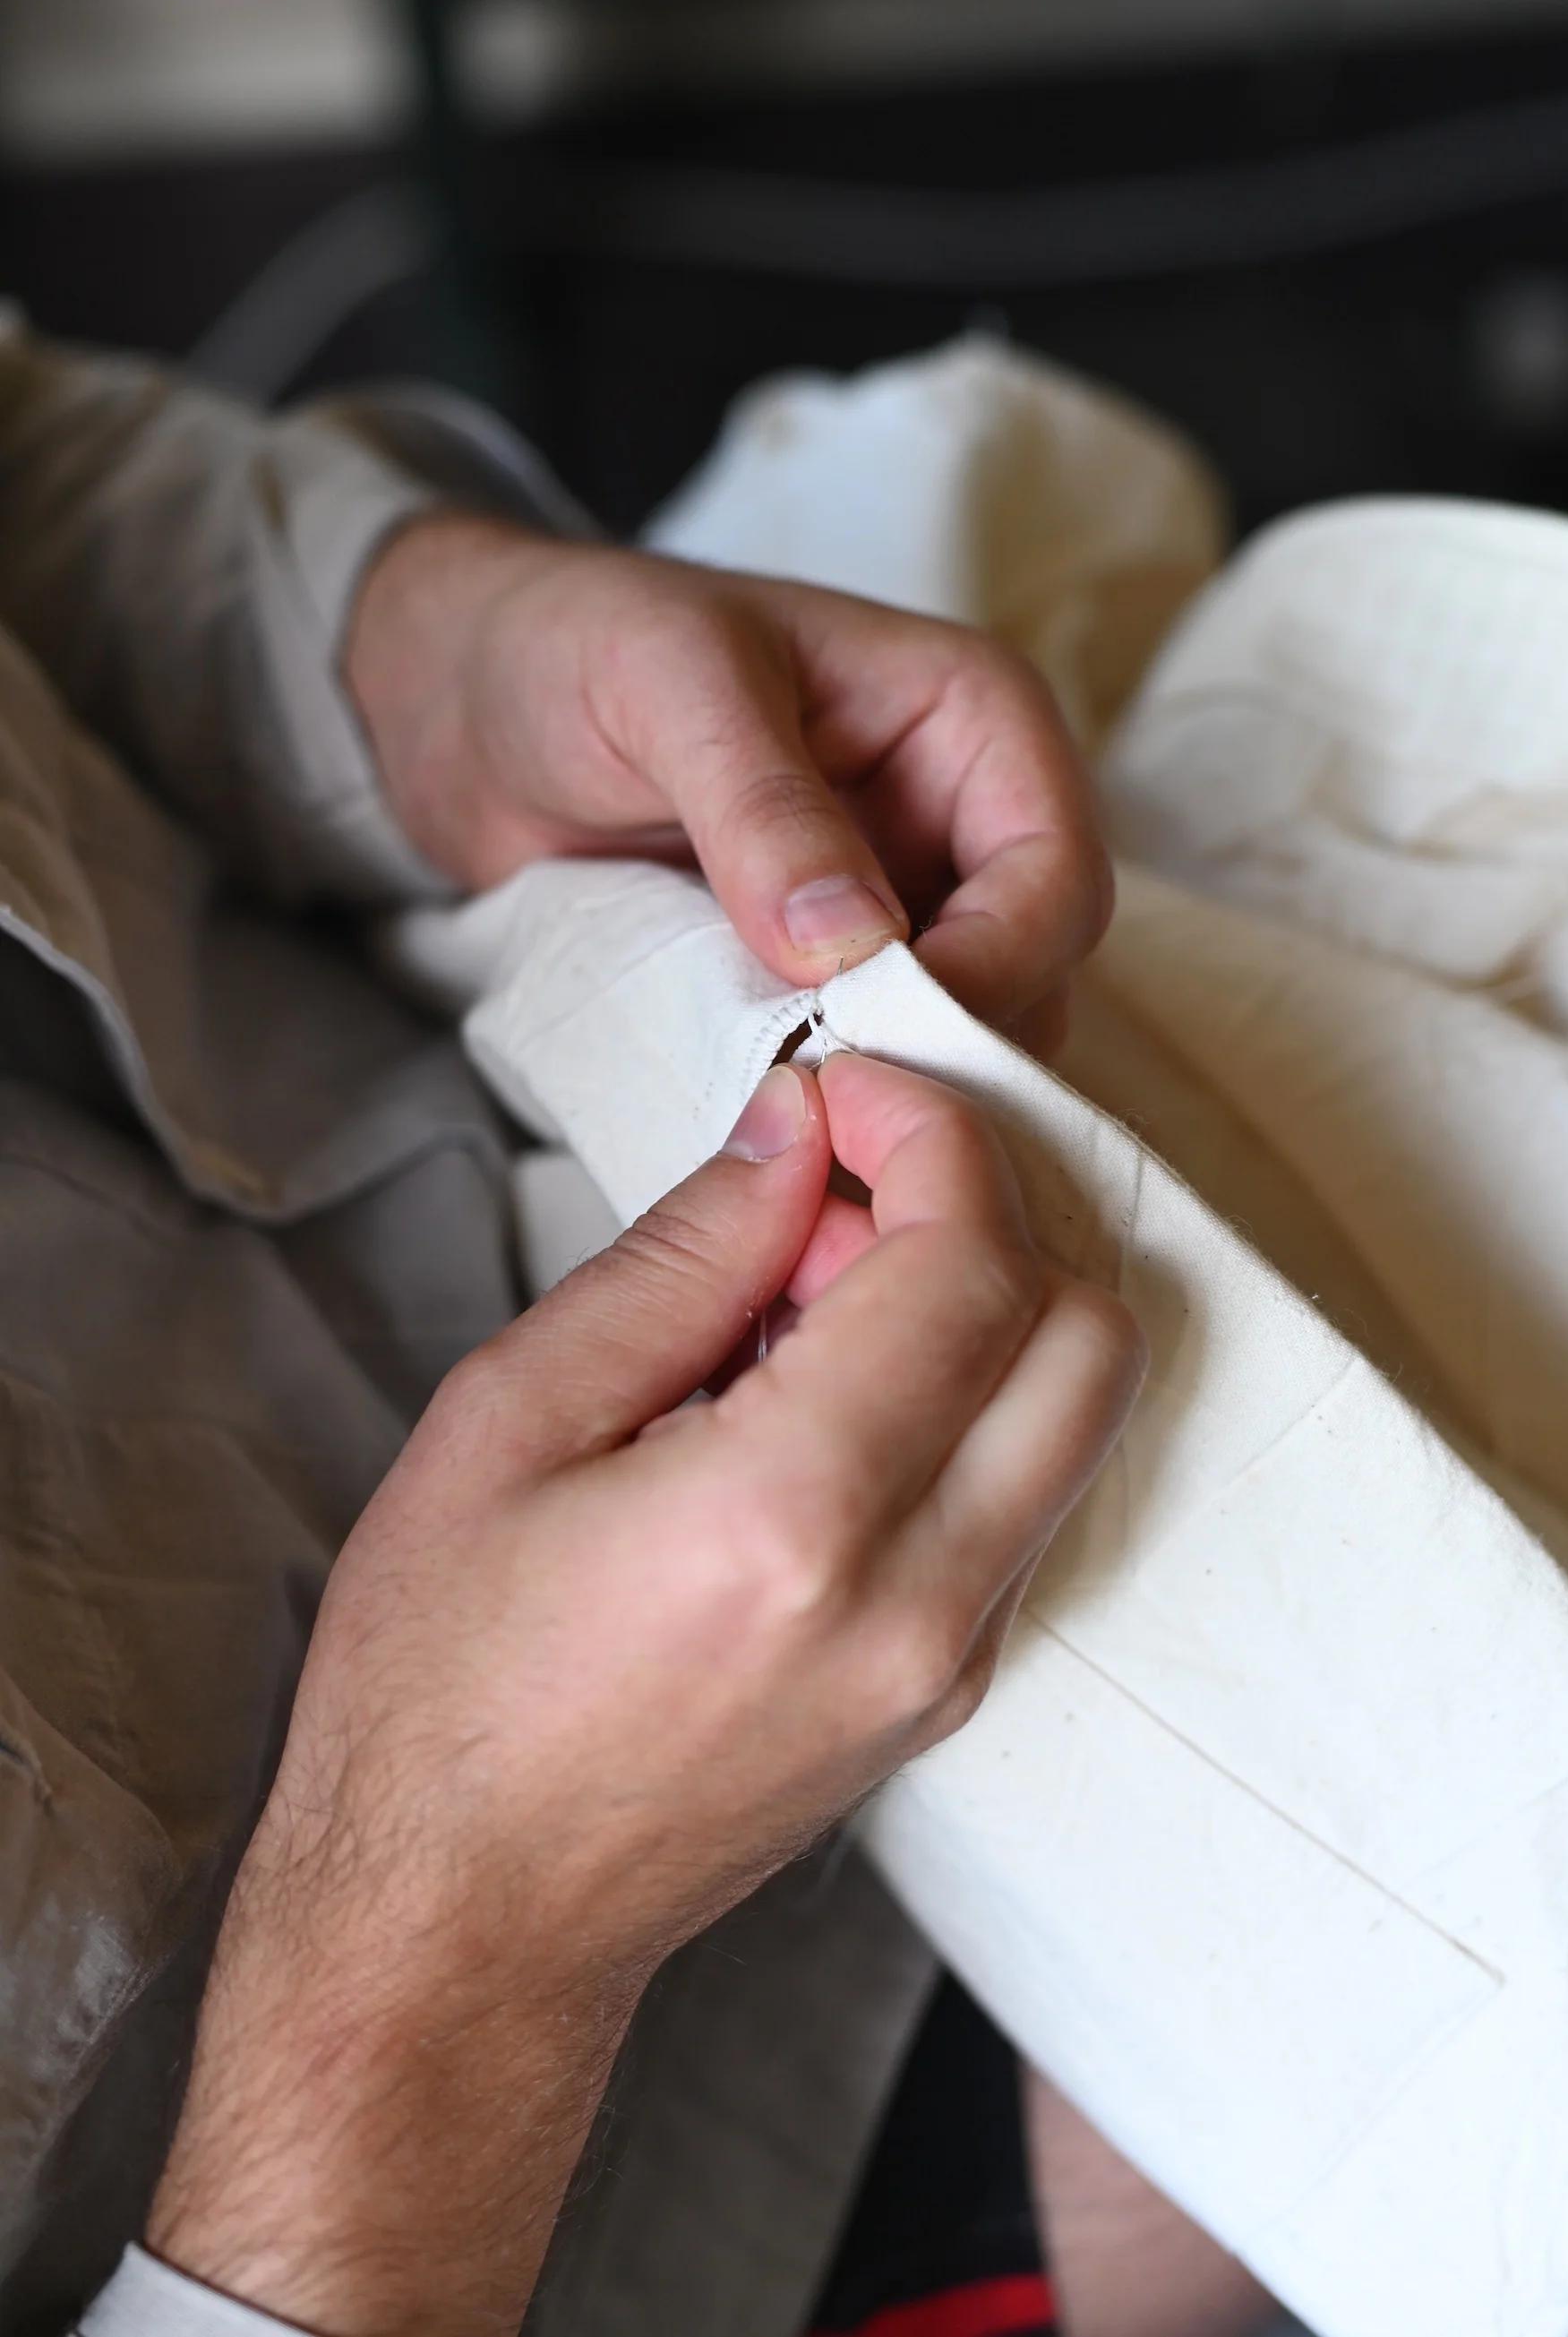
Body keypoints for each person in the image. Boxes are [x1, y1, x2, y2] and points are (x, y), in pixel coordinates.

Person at [0, 313, 1268, 2337]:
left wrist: (407, 656)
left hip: (474, 1059)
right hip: (710, 2208)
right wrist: (441, 1972)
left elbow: (37, 472)